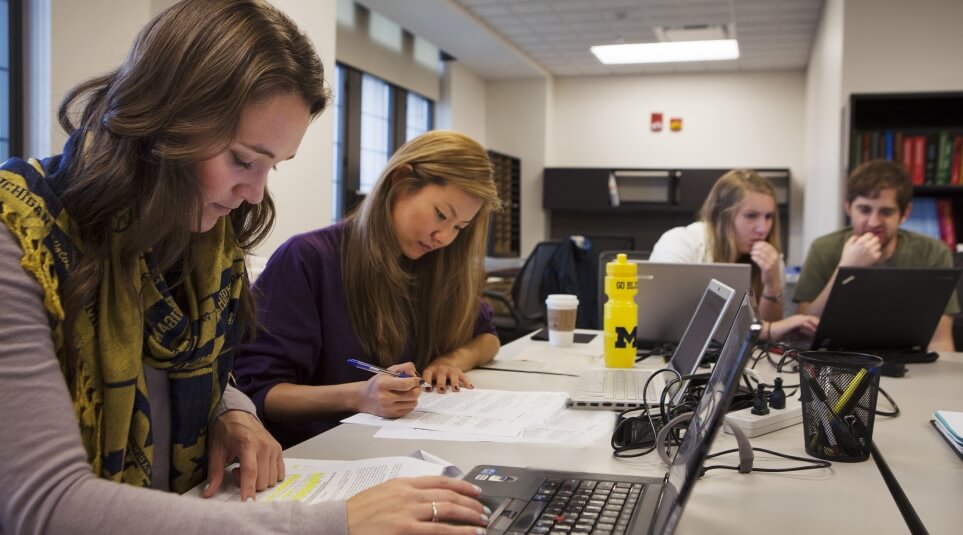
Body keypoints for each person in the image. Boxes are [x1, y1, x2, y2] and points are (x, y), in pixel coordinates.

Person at [0, 1, 488, 533]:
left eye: (271, 166)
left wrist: (231, 408)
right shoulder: (18, 241)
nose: (254, 193)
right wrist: (335, 522)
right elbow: (45, 505)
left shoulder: (199, 242)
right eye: (241, 160)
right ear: (163, 119)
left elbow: (200, 367)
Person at [233, 130, 502, 449]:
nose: (443, 237)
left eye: (459, 228)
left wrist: (452, 360)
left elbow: (487, 337)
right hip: (317, 457)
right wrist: (359, 396)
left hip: (406, 449)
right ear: (400, 182)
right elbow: (262, 394)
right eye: (441, 215)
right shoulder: (309, 259)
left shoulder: (435, 266)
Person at [794, 159, 958, 351]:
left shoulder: (933, 253)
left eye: (886, 212)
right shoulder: (824, 248)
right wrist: (846, 269)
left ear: (904, 213)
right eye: (864, 210)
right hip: (838, 361)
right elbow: (803, 331)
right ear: (848, 207)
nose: (873, 222)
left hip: (908, 361)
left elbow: (940, 340)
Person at [650, 169, 818, 341]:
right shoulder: (681, 242)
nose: (763, 228)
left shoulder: (771, 260)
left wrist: (772, 284)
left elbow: (768, 337)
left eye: (769, 216)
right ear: (721, 215)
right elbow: (667, 322)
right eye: (751, 216)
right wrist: (765, 329)